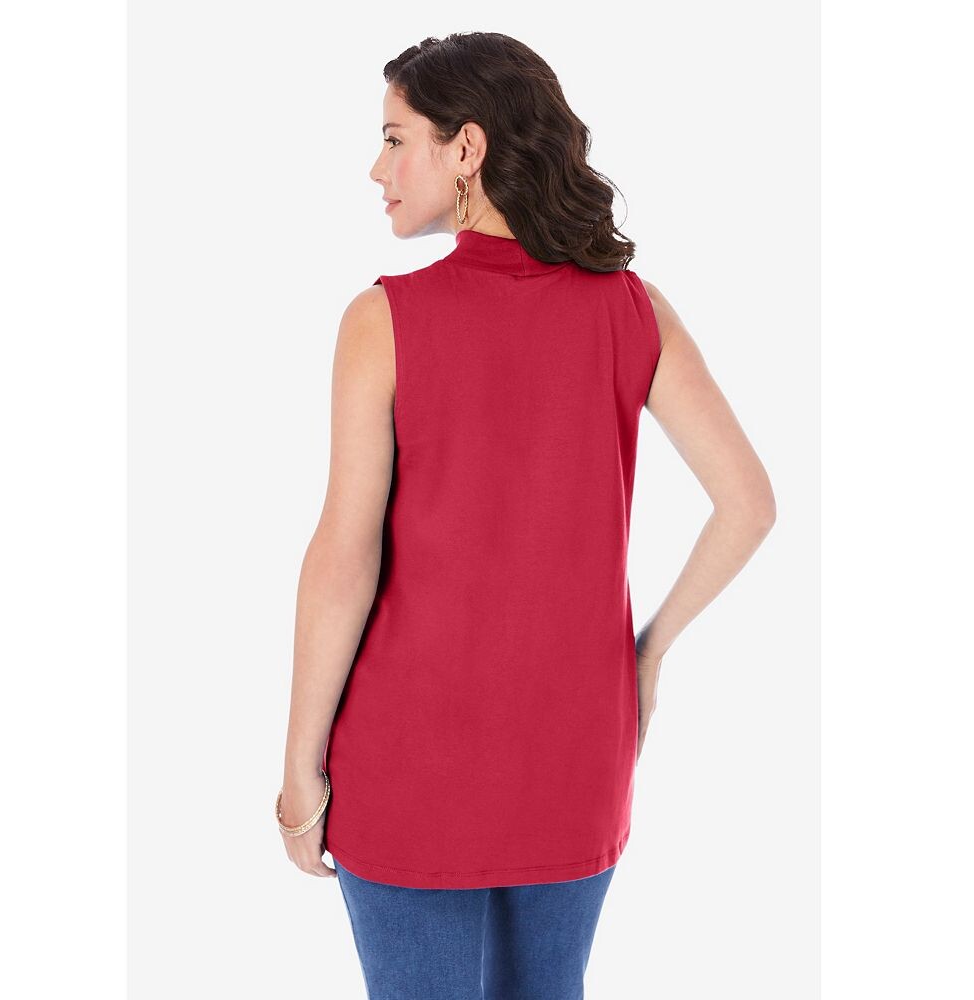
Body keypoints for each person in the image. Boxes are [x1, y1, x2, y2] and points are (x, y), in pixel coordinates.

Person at [276, 31, 776, 1000]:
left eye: (395, 138)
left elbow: (343, 559)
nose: (377, 168)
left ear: (466, 148)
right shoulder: (632, 310)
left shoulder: (383, 321)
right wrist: (644, 656)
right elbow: (748, 503)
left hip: (411, 764)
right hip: (577, 758)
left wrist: (300, 771)